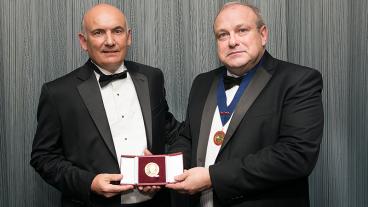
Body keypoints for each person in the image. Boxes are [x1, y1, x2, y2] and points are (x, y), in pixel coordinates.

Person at [166, 2, 323, 207]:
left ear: (263, 34)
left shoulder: (298, 80)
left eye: (242, 30)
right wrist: (166, 167)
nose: (232, 41)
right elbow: (188, 137)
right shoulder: (202, 82)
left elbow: (296, 156)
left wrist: (212, 177)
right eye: (223, 35)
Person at [30, 3, 180, 207]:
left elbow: (169, 129)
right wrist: (89, 182)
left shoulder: (152, 77)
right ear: (83, 41)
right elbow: (43, 157)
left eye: (117, 31)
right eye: (99, 32)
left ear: (128, 37)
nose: (110, 41)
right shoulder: (58, 92)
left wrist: (163, 171)